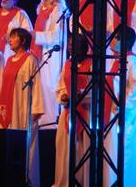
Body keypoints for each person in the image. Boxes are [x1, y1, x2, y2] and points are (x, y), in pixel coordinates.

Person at [0, 28, 44, 186]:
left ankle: (26, 180)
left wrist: (36, 109)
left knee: (25, 145)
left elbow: (37, 85)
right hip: (8, 107)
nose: (10, 40)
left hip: (23, 108)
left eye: (14, 37)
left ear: (23, 40)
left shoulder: (30, 59)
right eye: (9, 37)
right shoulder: (9, 60)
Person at [104, 26, 136, 187]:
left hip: (127, 115)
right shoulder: (117, 59)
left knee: (126, 151)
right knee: (114, 151)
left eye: (115, 38)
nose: (112, 41)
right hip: (115, 112)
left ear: (124, 41)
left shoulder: (131, 60)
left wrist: (124, 105)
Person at [53, 33, 91, 187]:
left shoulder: (91, 64)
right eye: (68, 44)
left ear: (82, 47)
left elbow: (96, 90)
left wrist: (80, 95)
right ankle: (65, 182)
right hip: (68, 112)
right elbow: (61, 85)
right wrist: (63, 95)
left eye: (72, 44)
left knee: (82, 149)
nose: (69, 47)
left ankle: (81, 182)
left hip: (85, 112)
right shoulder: (67, 64)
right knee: (64, 148)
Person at [30, 0, 68, 129]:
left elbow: (56, 36)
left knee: (49, 86)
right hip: (40, 53)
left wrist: (36, 35)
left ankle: (51, 124)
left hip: (51, 54)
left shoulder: (58, 9)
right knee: (40, 88)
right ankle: (41, 122)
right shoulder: (41, 9)